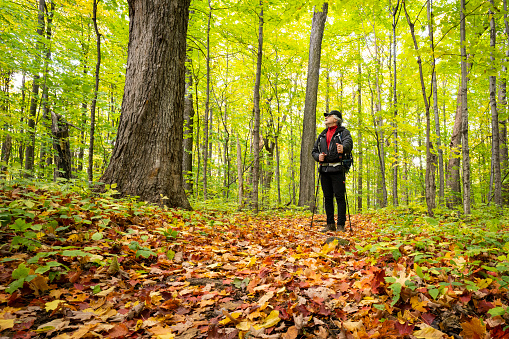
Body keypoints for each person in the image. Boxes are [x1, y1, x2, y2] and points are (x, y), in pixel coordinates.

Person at [311, 110, 353, 232]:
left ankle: (340, 225)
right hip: (324, 169)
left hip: (338, 168)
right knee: (327, 197)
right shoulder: (322, 134)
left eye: (328, 116)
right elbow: (314, 150)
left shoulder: (343, 132)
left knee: (340, 197)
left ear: (336, 119)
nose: (326, 118)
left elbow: (349, 144)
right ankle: (330, 224)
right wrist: (318, 156)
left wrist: (343, 148)